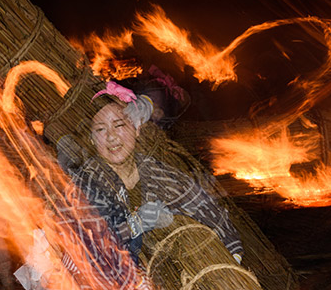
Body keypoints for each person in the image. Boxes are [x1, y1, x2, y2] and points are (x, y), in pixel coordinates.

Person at [67, 82, 244, 264]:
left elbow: (215, 216)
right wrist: (133, 226)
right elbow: (84, 247)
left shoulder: (160, 174)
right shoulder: (83, 184)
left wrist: (231, 262)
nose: (111, 137)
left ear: (136, 129)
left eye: (119, 125)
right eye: (101, 129)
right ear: (91, 139)